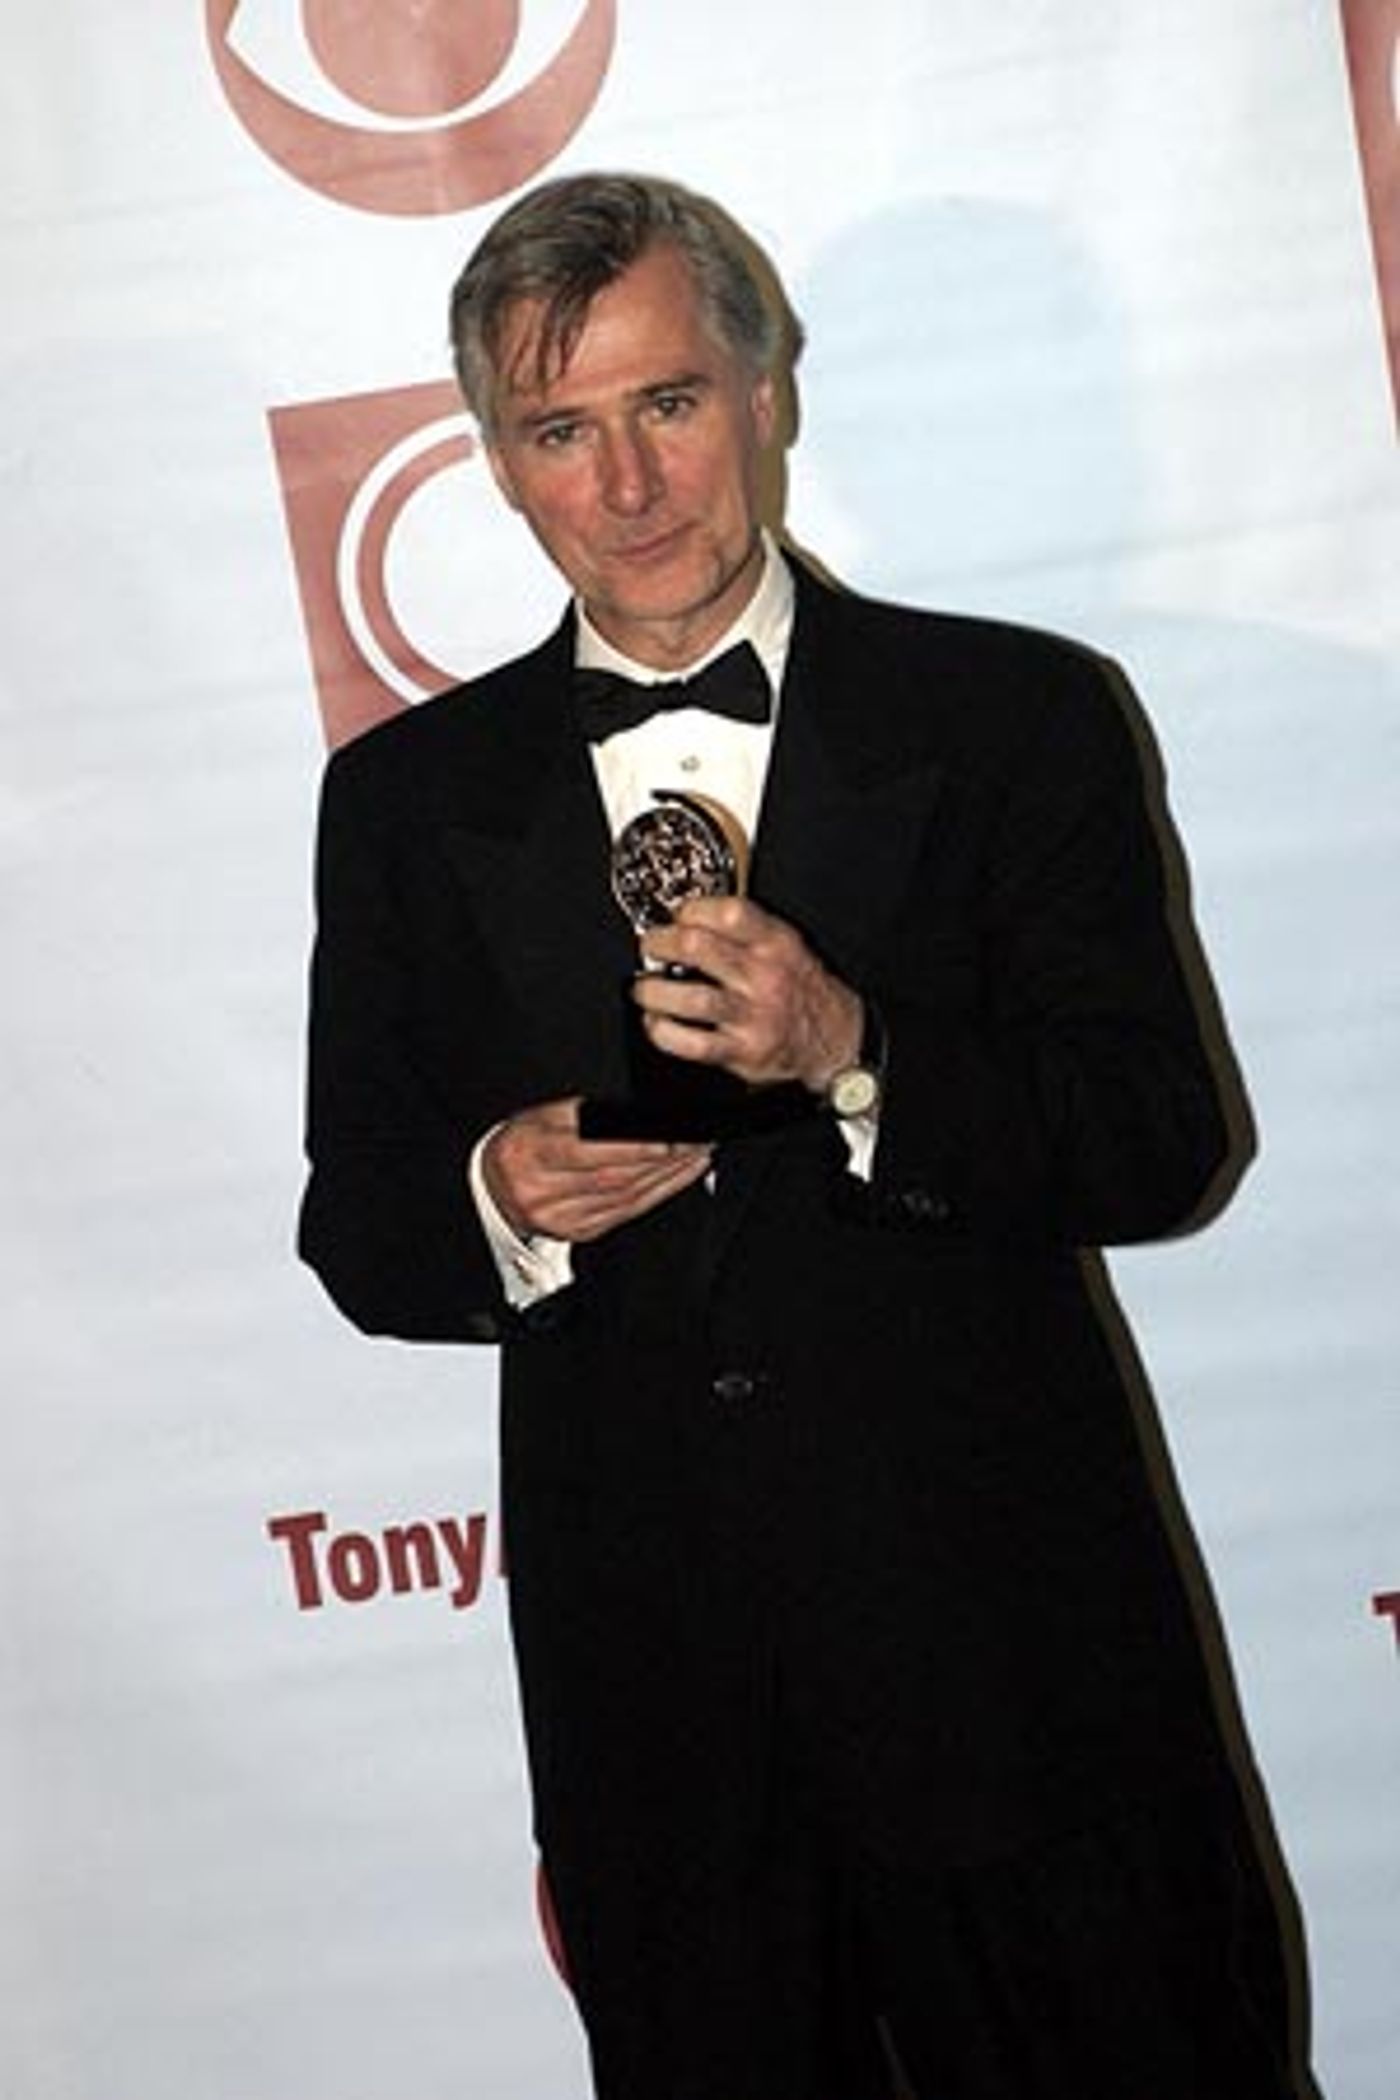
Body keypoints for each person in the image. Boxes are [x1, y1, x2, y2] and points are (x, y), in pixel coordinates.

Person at [298, 172, 1312, 2099]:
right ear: (497, 466)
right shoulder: (406, 802)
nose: (627, 486)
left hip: (1020, 1675)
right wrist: (502, 1197)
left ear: (766, 394)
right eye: (560, 431)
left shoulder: (1019, 718)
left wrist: (859, 1054)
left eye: (669, 403)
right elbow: (360, 1224)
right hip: (664, 1726)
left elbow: (1158, 1139)